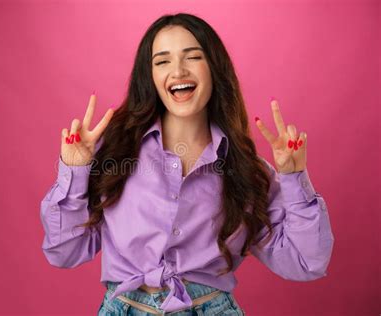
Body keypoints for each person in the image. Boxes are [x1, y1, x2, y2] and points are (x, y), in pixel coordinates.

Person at [39, 12, 335, 315]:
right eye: (162, 61)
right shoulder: (116, 153)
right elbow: (64, 252)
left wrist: (294, 176)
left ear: (214, 69)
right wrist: (73, 171)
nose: (178, 71)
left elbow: (305, 263)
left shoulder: (246, 171)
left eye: (192, 57)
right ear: (150, 76)